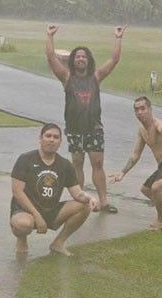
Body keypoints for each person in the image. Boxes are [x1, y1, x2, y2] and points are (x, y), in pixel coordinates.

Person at [45, 23, 126, 213]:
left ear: (89, 60)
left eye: (84, 57)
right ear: (73, 61)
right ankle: (81, 200)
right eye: (78, 57)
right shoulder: (67, 78)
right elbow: (50, 57)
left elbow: (114, 60)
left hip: (94, 129)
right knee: (77, 164)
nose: (81, 59)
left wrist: (118, 38)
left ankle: (104, 201)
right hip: (75, 130)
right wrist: (49, 36)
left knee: (97, 164)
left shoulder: (96, 77)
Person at [10, 123, 99, 257]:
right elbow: (17, 192)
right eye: (48, 136)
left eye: (56, 137)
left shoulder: (65, 165)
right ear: (40, 138)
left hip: (51, 210)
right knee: (23, 224)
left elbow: (77, 193)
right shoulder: (26, 159)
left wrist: (90, 198)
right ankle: (22, 239)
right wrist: (37, 216)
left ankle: (58, 243)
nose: (51, 139)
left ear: (60, 142)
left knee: (83, 206)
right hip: (26, 211)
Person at [109, 96, 162, 230]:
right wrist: (123, 172)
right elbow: (135, 155)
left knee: (156, 188)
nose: (139, 112)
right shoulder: (141, 131)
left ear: (150, 110)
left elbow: (161, 128)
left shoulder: (157, 123)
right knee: (146, 189)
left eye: (143, 108)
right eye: (136, 110)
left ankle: (160, 220)